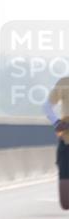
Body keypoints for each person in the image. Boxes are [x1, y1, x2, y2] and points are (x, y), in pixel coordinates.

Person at [43, 76, 69, 210]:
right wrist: (56, 122)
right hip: (67, 140)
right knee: (66, 204)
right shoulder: (64, 83)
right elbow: (47, 106)